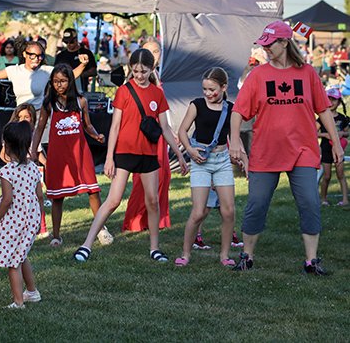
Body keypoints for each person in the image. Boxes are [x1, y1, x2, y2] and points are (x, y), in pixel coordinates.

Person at [229, 21, 343, 275]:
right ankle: (247, 256)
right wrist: (235, 140)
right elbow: (238, 111)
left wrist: (335, 142)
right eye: (264, 44)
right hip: (266, 151)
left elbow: (324, 110)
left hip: (303, 150)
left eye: (270, 44)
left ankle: (311, 261)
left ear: (284, 42)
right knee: (257, 203)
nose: (265, 48)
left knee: (310, 202)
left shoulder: (308, 73)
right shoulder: (258, 75)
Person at [73, 49, 188, 263]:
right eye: (135, 71)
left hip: (148, 154)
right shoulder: (124, 91)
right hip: (125, 152)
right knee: (113, 200)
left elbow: (164, 127)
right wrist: (109, 157)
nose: (140, 75)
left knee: (152, 201)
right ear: (130, 69)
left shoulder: (157, 93)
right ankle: (86, 244)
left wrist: (180, 156)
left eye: (144, 71)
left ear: (152, 69)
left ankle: (154, 248)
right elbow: (115, 126)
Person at [31, 64, 113, 247]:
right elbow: (39, 128)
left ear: (71, 81)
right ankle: (56, 235)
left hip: (80, 154)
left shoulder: (81, 101)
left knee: (93, 191)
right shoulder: (48, 104)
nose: (59, 85)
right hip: (58, 155)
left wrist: (96, 135)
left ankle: (101, 229)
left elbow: (87, 125)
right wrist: (33, 151)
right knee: (57, 196)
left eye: (63, 81)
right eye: (55, 81)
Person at [175, 67, 247, 267]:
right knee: (198, 212)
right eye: (205, 89)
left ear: (224, 87)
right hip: (201, 162)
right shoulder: (197, 105)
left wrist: (243, 158)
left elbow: (235, 137)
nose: (207, 93)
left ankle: (224, 255)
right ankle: (185, 254)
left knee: (229, 211)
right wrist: (190, 150)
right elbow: (182, 131)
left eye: (212, 89)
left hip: (222, 160)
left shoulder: (231, 109)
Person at [0, 121, 44, 309]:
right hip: (31, 220)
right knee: (21, 255)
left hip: (14, 221)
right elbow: (39, 195)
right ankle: (32, 292)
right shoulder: (33, 168)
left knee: (13, 262)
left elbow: (7, 200)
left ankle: (18, 302)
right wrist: (39, 220)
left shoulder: (7, 172)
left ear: (7, 145)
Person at [123, 40, 173, 233]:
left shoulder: (157, 75)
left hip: (158, 133)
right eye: (149, 51)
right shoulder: (136, 78)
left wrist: (170, 132)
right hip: (142, 136)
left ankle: (158, 219)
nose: (153, 54)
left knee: (163, 176)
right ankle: (135, 220)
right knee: (141, 181)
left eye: (156, 51)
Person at [0, 104, 49, 237]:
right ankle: (18, 227)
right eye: (20, 117)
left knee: (37, 198)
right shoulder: (12, 136)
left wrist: (47, 164)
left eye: (26, 117)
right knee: (16, 201)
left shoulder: (34, 136)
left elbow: (38, 153)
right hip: (18, 175)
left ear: (32, 118)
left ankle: (41, 227)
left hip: (31, 172)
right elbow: (3, 155)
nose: (22, 120)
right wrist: (14, 165)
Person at [317, 88, 349, 207]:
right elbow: (313, 132)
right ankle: (323, 199)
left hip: (338, 149)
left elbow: (347, 132)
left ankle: (345, 200)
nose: (331, 102)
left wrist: (342, 134)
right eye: (328, 99)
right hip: (326, 149)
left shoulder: (342, 118)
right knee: (327, 176)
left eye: (334, 100)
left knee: (341, 174)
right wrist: (325, 135)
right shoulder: (322, 118)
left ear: (339, 102)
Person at [55, 28, 97, 92]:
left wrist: (79, 75)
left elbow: (93, 70)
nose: (68, 44)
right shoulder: (60, 56)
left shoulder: (86, 53)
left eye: (71, 42)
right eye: (66, 42)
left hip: (81, 88)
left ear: (76, 40)